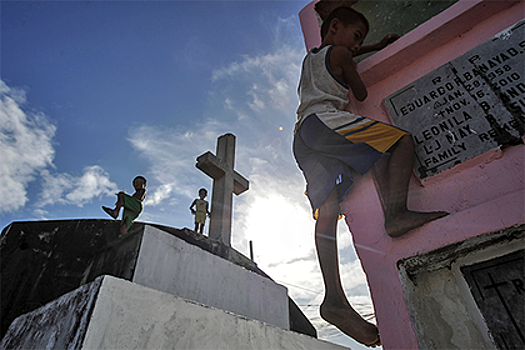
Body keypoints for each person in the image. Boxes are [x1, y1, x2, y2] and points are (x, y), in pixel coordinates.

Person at [293, 6, 448, 347]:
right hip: (326, 121)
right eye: (356, 36)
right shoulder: (342, 57)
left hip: (303, 135)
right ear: (335, 26)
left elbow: (343, 51)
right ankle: (396, 213)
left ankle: (334, 297)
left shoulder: (312, 59)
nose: (358, 43)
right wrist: (357, 61)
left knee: (328, 210)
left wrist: (371, 45)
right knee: (401, 141)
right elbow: (360, 93)